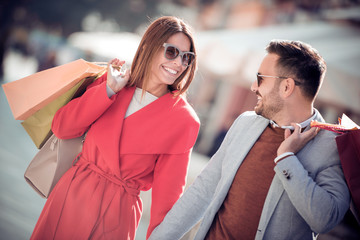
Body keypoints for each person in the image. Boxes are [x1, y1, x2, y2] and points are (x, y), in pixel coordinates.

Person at [149, 39, 350, 240]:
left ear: (287, 87)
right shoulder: (245, 123)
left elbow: (325, 219)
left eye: (260, 78)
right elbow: (202, 191)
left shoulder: (333, 146)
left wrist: (287, 159)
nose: (253, 87)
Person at [30, 16, 200, 240]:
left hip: (116, 217)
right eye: (171, 52)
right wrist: (107, 91)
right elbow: (63, 128)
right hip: (69, 196)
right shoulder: (114, 83)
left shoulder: (183, 120)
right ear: (148, 46)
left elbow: (167, 201)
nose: (179, 63)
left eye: (186, 58)